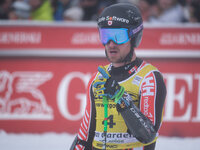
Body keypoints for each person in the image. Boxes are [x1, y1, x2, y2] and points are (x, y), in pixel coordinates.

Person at [70, 3, 166, 150]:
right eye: (105, 36)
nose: (111, 44)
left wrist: (120, 97)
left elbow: (148, 135)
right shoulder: (97, 78)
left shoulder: (149, 77)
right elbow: (86, 135)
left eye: (118, 36)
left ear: (134, 37)